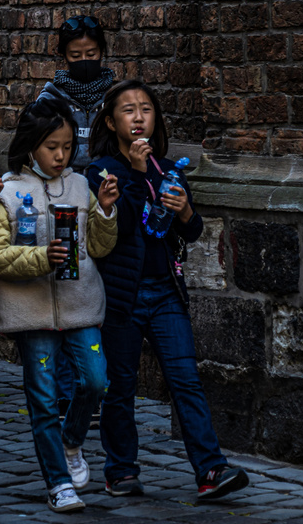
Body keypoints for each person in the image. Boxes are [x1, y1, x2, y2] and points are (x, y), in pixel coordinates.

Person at [85, 80, 249, 502]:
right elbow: (117, 227)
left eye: (146, 110)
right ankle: (120, 470)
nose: (138, 117)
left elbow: (191, 232)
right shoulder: (102, 170)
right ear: (110, 121)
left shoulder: (166, 168)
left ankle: (210, 468)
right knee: (120, 385)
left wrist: (186, 211)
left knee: (185, 379)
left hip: (164, 292)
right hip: (121, 295)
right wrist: (137, 177)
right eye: (128, 110)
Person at [0, 100, 119, 513]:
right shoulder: (8, 191)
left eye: (66, 147)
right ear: (30, 147)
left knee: (96, 382)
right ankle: (58, 482)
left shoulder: (80, 187)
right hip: (31, 313)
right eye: (51, 147)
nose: (61, 156)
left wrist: (107, 210)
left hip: (81, 307)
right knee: (42, 400)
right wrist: (43, 258)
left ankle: (71, 441)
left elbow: (98, 245)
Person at [37, 15, 112, 171]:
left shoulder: (115, 97)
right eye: (76, 56)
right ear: (64, 56)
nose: (84, 61)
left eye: (91, 55)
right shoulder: (50, 99)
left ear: (101, 53)